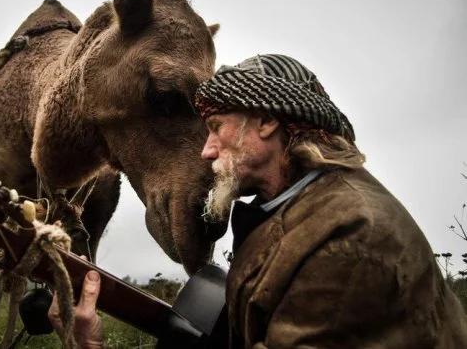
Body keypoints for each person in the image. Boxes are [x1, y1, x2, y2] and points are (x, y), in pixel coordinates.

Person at [48, 54, 467, 348]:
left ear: (267, 120)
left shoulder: (352, 235)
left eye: (216, 126)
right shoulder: (287, 213)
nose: (206, 150)